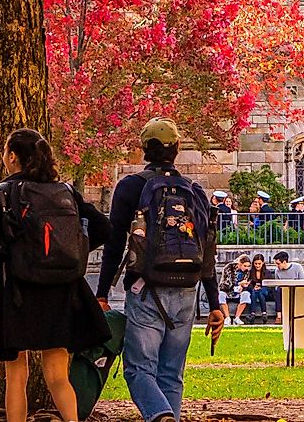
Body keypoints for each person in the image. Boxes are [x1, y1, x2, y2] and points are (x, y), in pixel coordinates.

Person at [0, 129, 113, 422]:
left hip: (16, 291)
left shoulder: (4, 192)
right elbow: (102, 227)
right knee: (57, 375)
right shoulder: (65, 192)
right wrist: (73, 251)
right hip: (60, 291)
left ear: (12, 156)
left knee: (16, 375)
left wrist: (7, 255)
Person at [96, 119, 222, 422]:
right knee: (171, 373)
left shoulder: (130, 187)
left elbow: (114, 244)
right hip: (187, 290)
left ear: (144, 150)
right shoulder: (194, 190)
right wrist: (215, 304)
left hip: (146, 288)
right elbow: (206, 249)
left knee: (139, 368)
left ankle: (160, 415)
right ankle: (169, 416)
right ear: (177, 148)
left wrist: (102, 293)